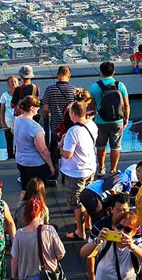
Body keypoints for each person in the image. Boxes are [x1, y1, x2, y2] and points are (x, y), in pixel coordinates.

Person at [61, 102, 99, 240]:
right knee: (88, 197)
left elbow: (68, 154)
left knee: (77, 203)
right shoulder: (91, 125)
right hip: (89, 166)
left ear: (73, 114)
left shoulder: (73, 131)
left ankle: (79, 231)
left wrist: (60, 146)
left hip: (76, 171)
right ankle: (87, 223)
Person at [82, 213, 142, 280]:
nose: (122, 232)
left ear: (134, 232)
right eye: (119, 227)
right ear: (114, 227)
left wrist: (133, 247)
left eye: (127, 229)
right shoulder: (106, 242)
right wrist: (96, 241)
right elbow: (83, 253)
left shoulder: (136, 246)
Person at [91, 61, 131, 175]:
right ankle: (113, 169)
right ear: (113, 72)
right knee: (116, 146)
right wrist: (126, 118)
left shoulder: (95, 87)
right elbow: (126, 104)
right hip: (117, 120)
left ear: (101, 72)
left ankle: (101, 168)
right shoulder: (120, 85)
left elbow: (92, 107)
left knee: (100, 145)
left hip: (100, 120)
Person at [11, 197, 65, 280]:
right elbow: (60, 253)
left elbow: (14, 260)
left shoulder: (19, 234)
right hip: (49, 276)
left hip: (28, 276)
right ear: (41, 213)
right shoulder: (49, 230)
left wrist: (13, 277)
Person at [15, 96, 56, 190]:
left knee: (24, 190)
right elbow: (43, 150)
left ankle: (22, 205)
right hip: (35, 164)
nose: (38, 109)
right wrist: (51, 166)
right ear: (32, 108)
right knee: (37, 192)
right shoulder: (35, 127)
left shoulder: (18, 120)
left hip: (21, 161)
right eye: (37, 106)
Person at [42, 66, 78, 169]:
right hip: (70, 127)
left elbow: (45, 109)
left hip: (55, 126)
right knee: (70, 149)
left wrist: (47, 117)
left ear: (57, 75)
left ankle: (54, 172)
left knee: (54, 150)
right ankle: (67, 173)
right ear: (69, 76)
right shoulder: (73, 90)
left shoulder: (50, 89)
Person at [2, 75, 20, 161]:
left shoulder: (21, 94)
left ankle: (17, 156)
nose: (13, 83)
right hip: (8, 122)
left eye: (15, 82)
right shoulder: (4, 95)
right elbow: (2, 110)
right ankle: (10, 156)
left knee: (18, 140)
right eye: (11, 82)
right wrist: (3, 123)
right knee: (9, 140)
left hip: (18, 122)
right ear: (8, 84)